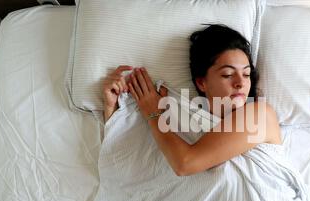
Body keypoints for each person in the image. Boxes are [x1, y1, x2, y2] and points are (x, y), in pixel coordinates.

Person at [102, 24, 281, 176]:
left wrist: (154, 114)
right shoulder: (181, 118)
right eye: (227, 74)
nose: (240, 83)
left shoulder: (260, 115)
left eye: (246, 74)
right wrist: (112, 106)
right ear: (202, 82)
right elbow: (129, 163)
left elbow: (184, 164)